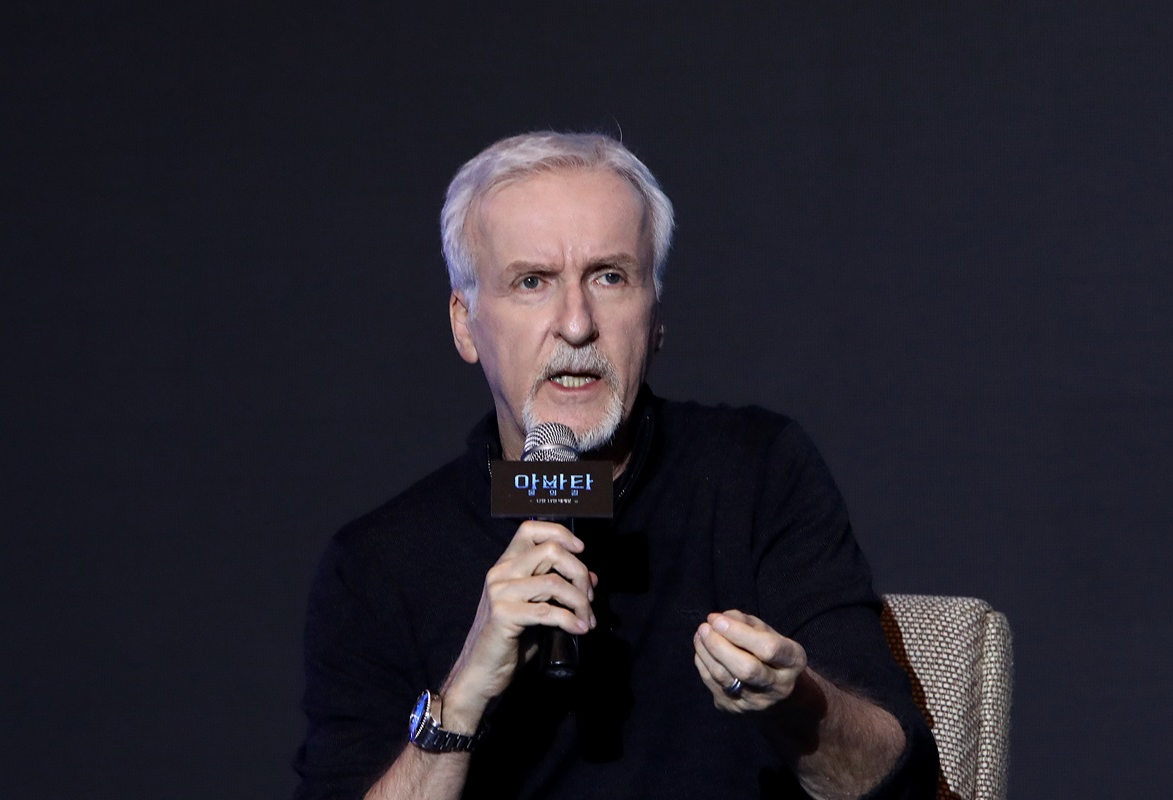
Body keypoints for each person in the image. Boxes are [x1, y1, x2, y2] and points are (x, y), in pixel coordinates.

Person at [293, 132, 939, 799]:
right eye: (532, 282)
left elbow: (898, 781)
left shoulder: (756, 471)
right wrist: (460, 703)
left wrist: (795, 701)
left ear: (654, 313)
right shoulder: (378, 563)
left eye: (609, 277)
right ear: (465, 323)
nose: (577, 324)